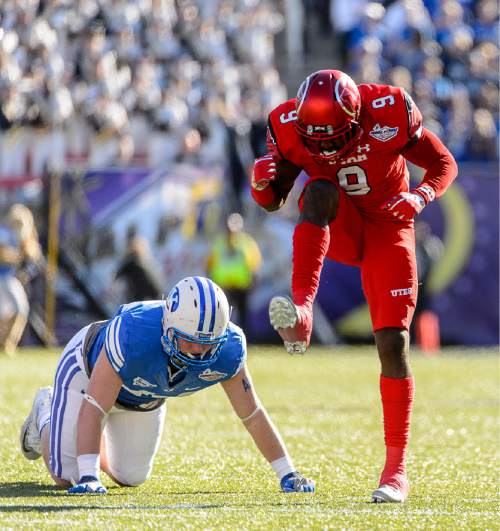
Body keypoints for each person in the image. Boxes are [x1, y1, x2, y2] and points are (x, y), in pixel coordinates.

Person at [250, 69, 458, 503]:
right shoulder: (287, 126)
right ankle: (303, 311)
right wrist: (261, 185)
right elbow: (274, 199)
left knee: (393, 344)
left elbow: (443, 163)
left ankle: (396, 470)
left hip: (390, 224)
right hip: (341, 224)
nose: (322, 146)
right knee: (319, 189)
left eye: (332, 137)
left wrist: (420, 197)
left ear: (355, 118)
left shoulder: (389, 110)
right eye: (315, 139)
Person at [20, 276, 314, 495]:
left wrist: (287, 472)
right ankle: (45, 413)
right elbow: (95, 403)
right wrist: (88, 477)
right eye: (189, 340)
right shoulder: (133, 333)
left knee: (131, 477)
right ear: (167, 326)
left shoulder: (230, 349)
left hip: (144, 394)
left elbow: (252, 414)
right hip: (87, 374)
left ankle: (84, 441)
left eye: (207, 343)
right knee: (66, 474)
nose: (198, 352)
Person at [206, 213, 262, 332]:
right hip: (223, 285)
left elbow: (255, 262)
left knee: (243, 315)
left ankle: (244, 338)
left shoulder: (246, 242)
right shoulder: (219, 242)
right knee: (223, 314)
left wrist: (253, 279)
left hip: (241, 285)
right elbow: (210, 262)